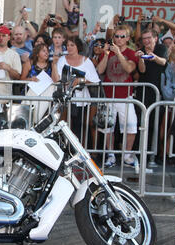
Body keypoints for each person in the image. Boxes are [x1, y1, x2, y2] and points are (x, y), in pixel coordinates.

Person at [97, 25, 139, 168]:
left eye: (122, 37)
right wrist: (107, 54)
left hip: (125, 97)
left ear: (127, 38)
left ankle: (127, 155)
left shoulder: (131, 53)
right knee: (108, 128)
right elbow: (100, 70)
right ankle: (111, 155)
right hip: (109, 96)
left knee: (131, 126)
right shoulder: (107, 53)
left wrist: (119, 53)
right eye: (116, 36)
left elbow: (129, 68)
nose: (119, 39)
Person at [54, 35, 100, 140]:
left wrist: (80, 81)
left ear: (78, 46)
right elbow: (57, 78)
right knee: (65, 124)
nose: (69, 47)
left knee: (81, 126)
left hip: (82, 99)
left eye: (72, 45)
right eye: (68, 45)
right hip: (65, 98)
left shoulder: (86, 61)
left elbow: (94, 80)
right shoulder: (61, 60)